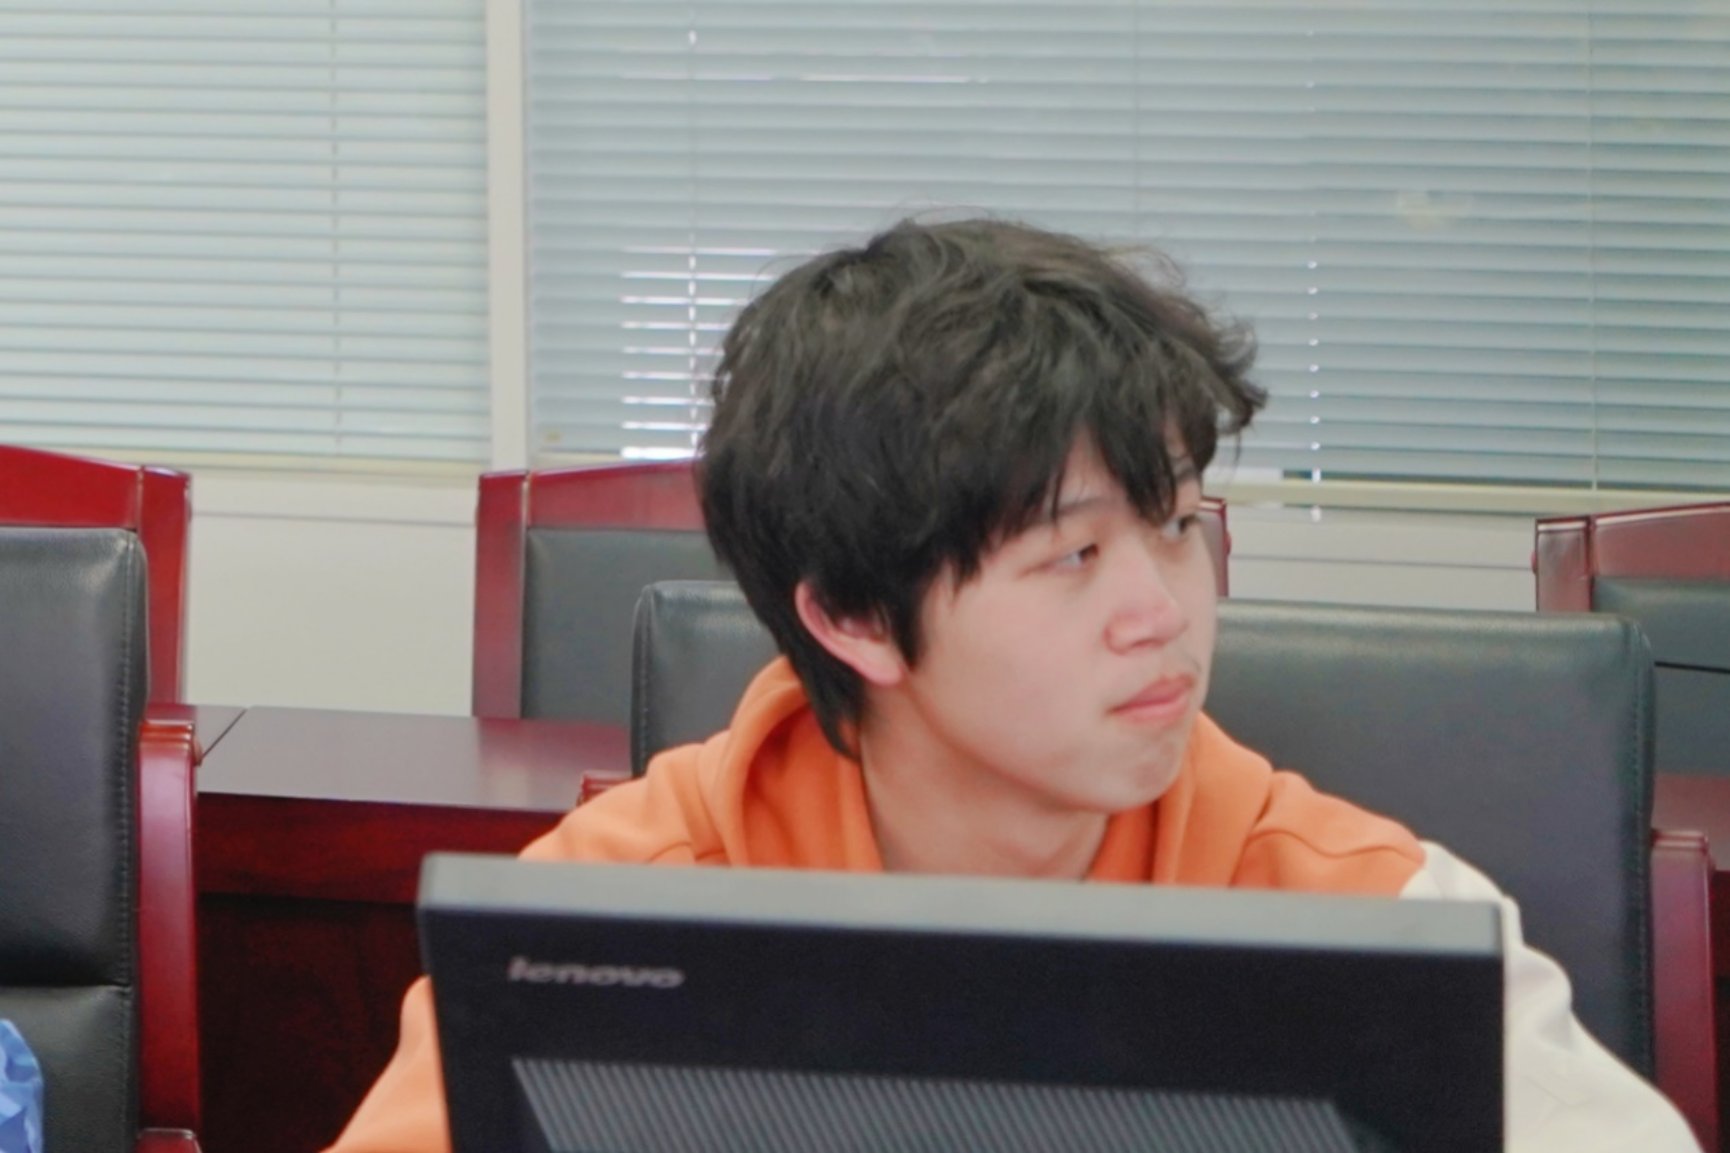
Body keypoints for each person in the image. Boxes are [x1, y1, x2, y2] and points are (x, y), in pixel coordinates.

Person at [326, 218, 1699, 1152]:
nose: (1163, 612)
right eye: (1073, 555)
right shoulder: (610, 915)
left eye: (1178, 525)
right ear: (854, 615)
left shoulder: (1370, 921)